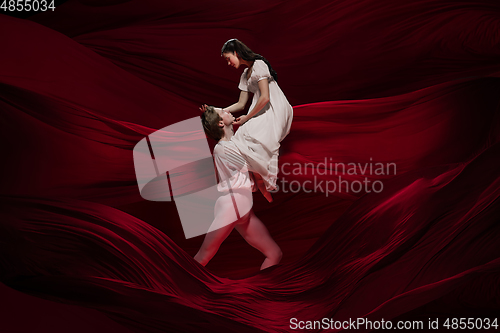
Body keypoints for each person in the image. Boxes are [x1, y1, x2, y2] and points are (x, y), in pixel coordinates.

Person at [194, 106, 282, 270]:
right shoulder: (222, 148)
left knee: (274, 253)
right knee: (203, 257)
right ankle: (178, 290)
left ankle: (261, 293)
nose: (229, 111)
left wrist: (211, 111)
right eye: (224, 112)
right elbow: (256, 165)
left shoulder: (234, 143)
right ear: (221, 123)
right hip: (232, 205)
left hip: (244, 209)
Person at [204, 38, 293, 194]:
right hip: (260, 108)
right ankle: (256, 180)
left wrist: (247, 117)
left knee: (250, 134)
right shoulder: (245, 75)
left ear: (236, 53)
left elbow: (265, 97)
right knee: (241, 137)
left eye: (228, 58)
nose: (228, 63)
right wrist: (216, 112)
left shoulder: (259, 64)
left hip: (273, 107)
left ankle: (264, 177)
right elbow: (240, 104)